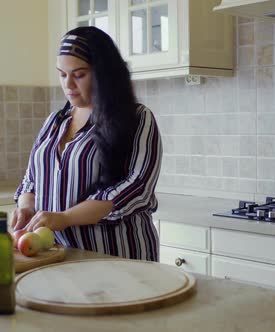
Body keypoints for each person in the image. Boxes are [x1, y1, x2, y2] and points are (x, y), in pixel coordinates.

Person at [11, 27, 162, 262]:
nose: (68, 84)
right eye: (62, 74)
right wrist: (27, 207)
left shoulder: (138, 118)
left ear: (104, 74)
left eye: (79, 74)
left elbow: (136, 189)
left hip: (119, 258)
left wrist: (66, 217)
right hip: (61, 257)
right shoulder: (55, 122)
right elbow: (31, 180)